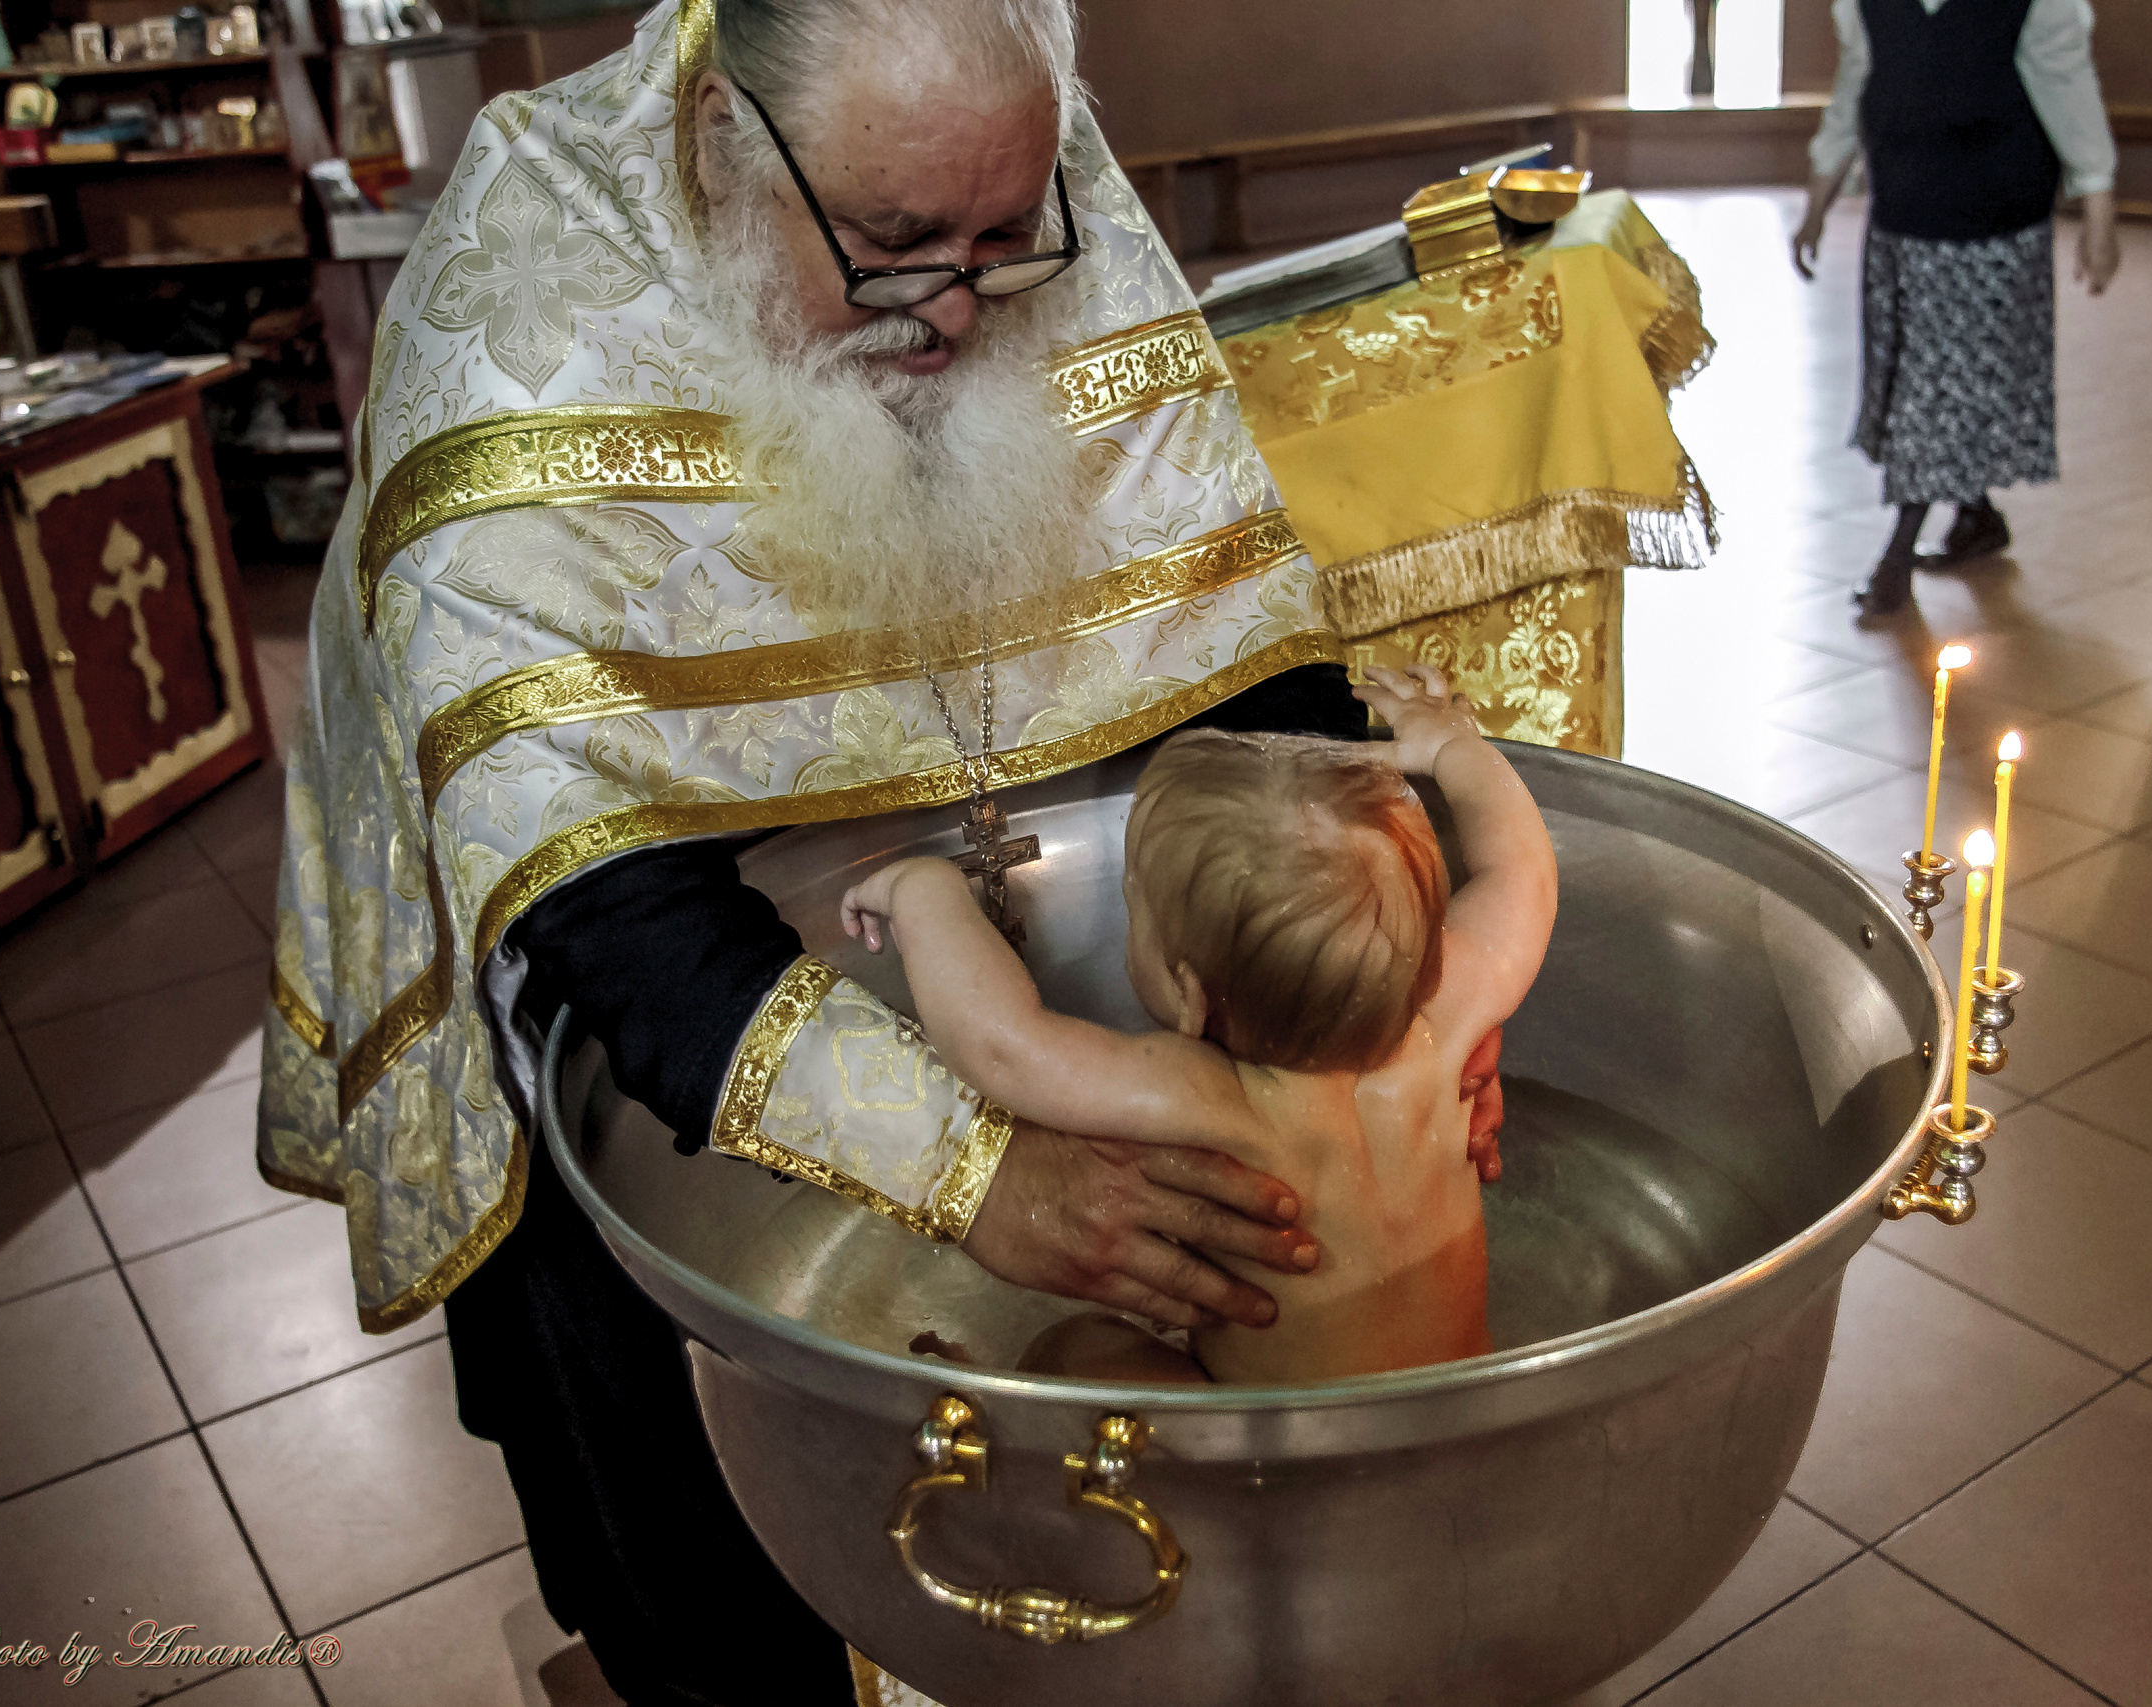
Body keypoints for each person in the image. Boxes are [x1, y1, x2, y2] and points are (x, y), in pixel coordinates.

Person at [255, 1, 1506, 1700]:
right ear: (717, 142)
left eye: (1008, 233)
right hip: (659, 958)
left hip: (921, 890)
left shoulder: (1012, 174)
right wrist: (981, 1174)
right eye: (895, 242)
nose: (965, 302)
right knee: (723, 1588)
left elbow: (1224, 608)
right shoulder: (520, 304)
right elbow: (596, 900)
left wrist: (1391, 954)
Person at [839, 664, 1557, 1384]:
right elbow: (1520, 869)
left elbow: (1000, 1046)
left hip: (1271, 1459)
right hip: (1463, 1401)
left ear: (1189, 995)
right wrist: (1451, 747)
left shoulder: (1220, 1102)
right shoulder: (1449, 1013)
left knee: (1081, 1349)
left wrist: (923, 894)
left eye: (1133, 903)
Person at [1790, 0, 2122, 616]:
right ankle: (1976, 515)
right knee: (1933, 380)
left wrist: (2098, 203)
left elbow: (2069, 90)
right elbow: (1853, 96)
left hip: (1991, 226)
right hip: (1903, 224)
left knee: (1936, 390)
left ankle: (1897, 555)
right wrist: (1817, 202)